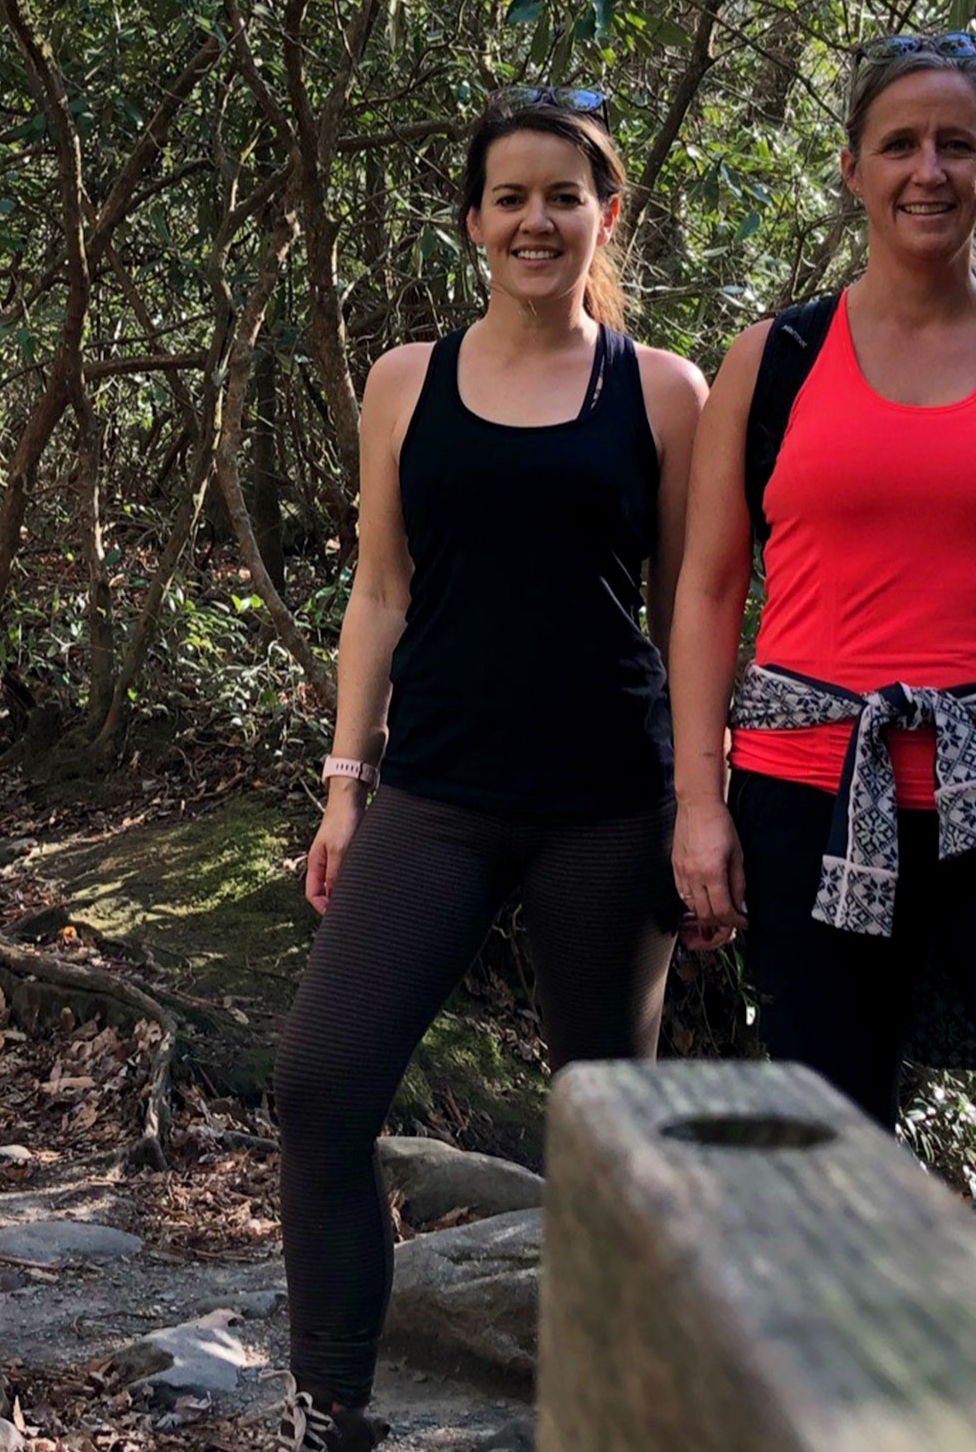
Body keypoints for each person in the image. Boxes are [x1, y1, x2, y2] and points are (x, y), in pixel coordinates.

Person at [666, 31, 976, 1333]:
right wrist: (698, 802)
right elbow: (712, 587)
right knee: (829, 1151)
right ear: (852, 169)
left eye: (957, 143)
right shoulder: (771, 359)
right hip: (809, 791)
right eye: (901, 143)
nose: (928, 169)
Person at [272, 89, 706, 1452]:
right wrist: (346, 785)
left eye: (563, 196)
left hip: (608, 804)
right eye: (510, 197)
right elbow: (380, 591)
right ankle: (329, 1408)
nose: (536, 219)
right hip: (440, 794)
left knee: (604, 1137)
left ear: (605, 216)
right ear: (473, 222)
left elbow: (694, 602)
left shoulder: (664, 390)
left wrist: (706, 800)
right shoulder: (407, 380)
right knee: (322, 1088)